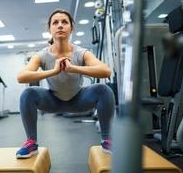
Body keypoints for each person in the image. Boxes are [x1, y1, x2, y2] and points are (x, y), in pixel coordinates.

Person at [16, 9, 115, 159]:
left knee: (103, 90)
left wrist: (73, 68)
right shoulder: (42, 54)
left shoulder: (81, 52)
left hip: (79, 100)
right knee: (27, 94)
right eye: (55, 23)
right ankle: (31, 142)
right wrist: (53, 71)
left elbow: (106, 71)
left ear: (71, 28)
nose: (60, 25)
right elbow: (21, 77)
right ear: (50, 29)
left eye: (64, 22)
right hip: (52, 101)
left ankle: (107, 139)